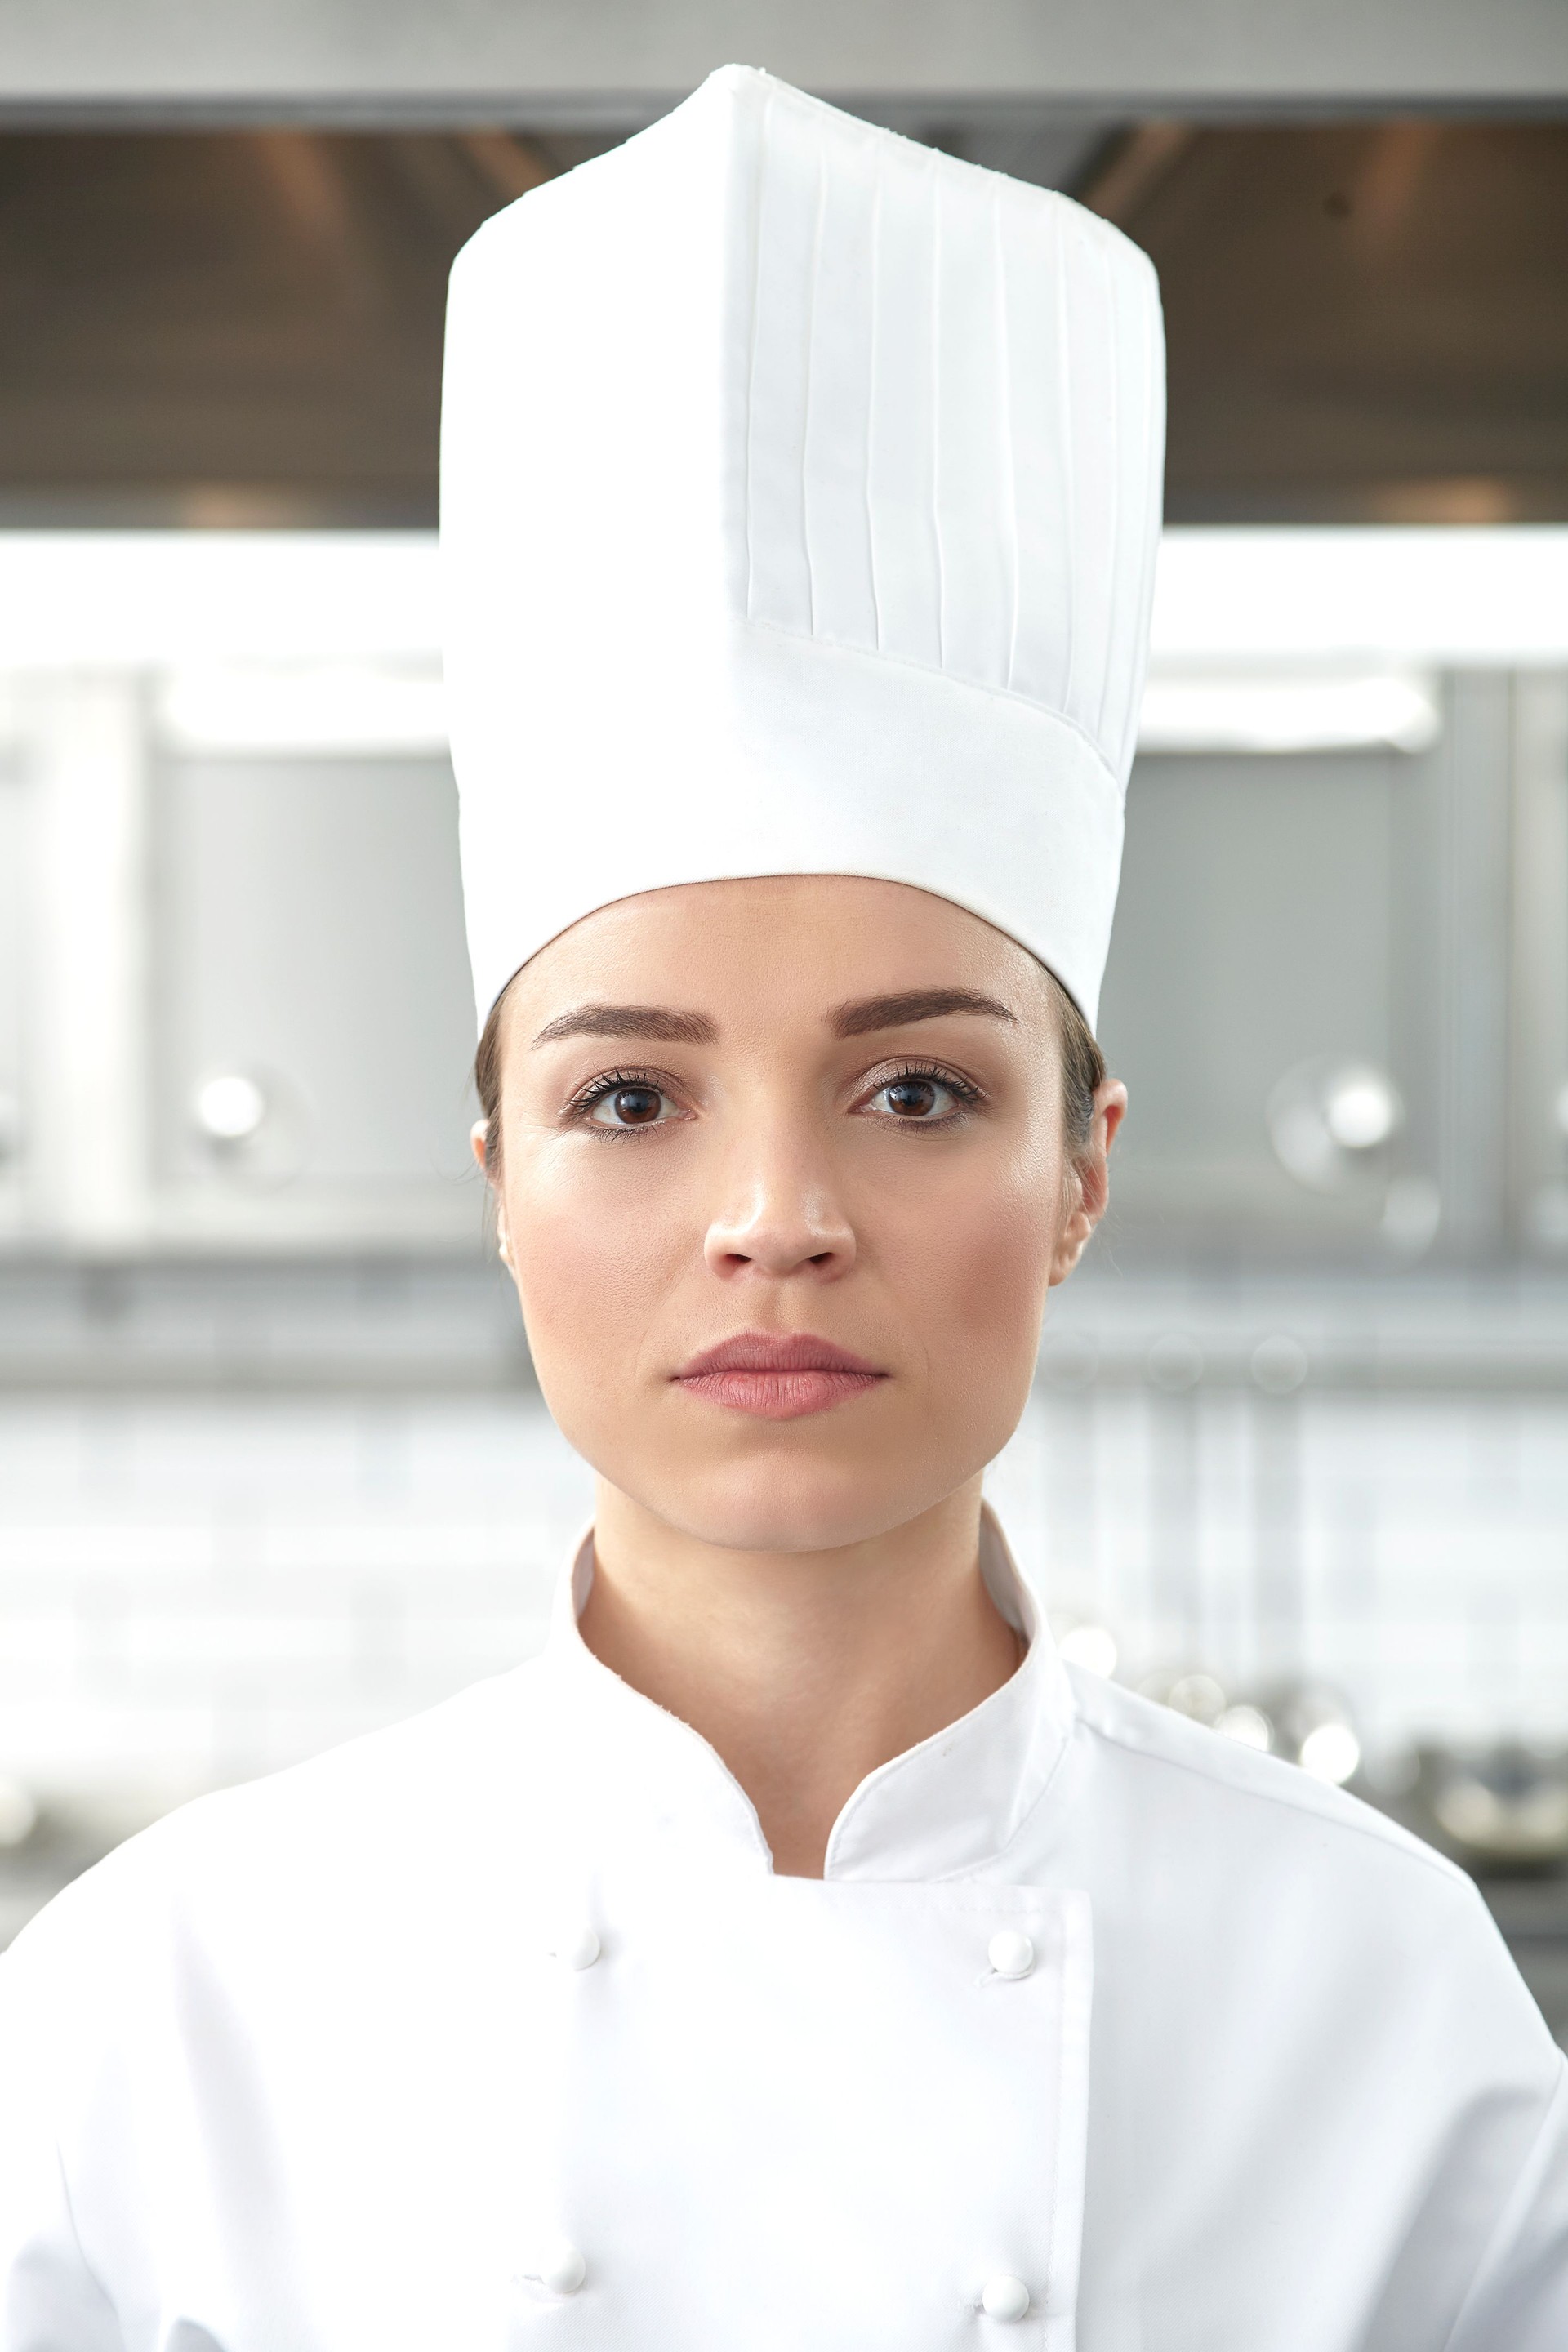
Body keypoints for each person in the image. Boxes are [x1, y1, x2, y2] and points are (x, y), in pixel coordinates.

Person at [2, 64, 1564, 2352]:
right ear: (500, 1184)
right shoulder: (171, 2003)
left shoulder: (1382, 1998)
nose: (774, 1216)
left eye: (918, 1087)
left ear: (1081, 1175)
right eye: (629, 1094)